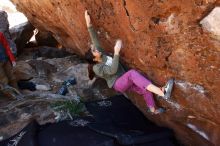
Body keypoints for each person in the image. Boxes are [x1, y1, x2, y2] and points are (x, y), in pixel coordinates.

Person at [84, 10, 174, 114]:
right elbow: (112, 70)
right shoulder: (97, 68)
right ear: (94, 59)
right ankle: (162, 92)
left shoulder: (101, 53)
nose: (96, 50)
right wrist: (116, 52)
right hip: (117, 83)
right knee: (132, 74)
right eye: (94, 51)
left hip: (123, 78)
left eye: (95, 49)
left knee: (143, 85)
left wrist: (88, 22)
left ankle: (153, 109)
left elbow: (94, 38)